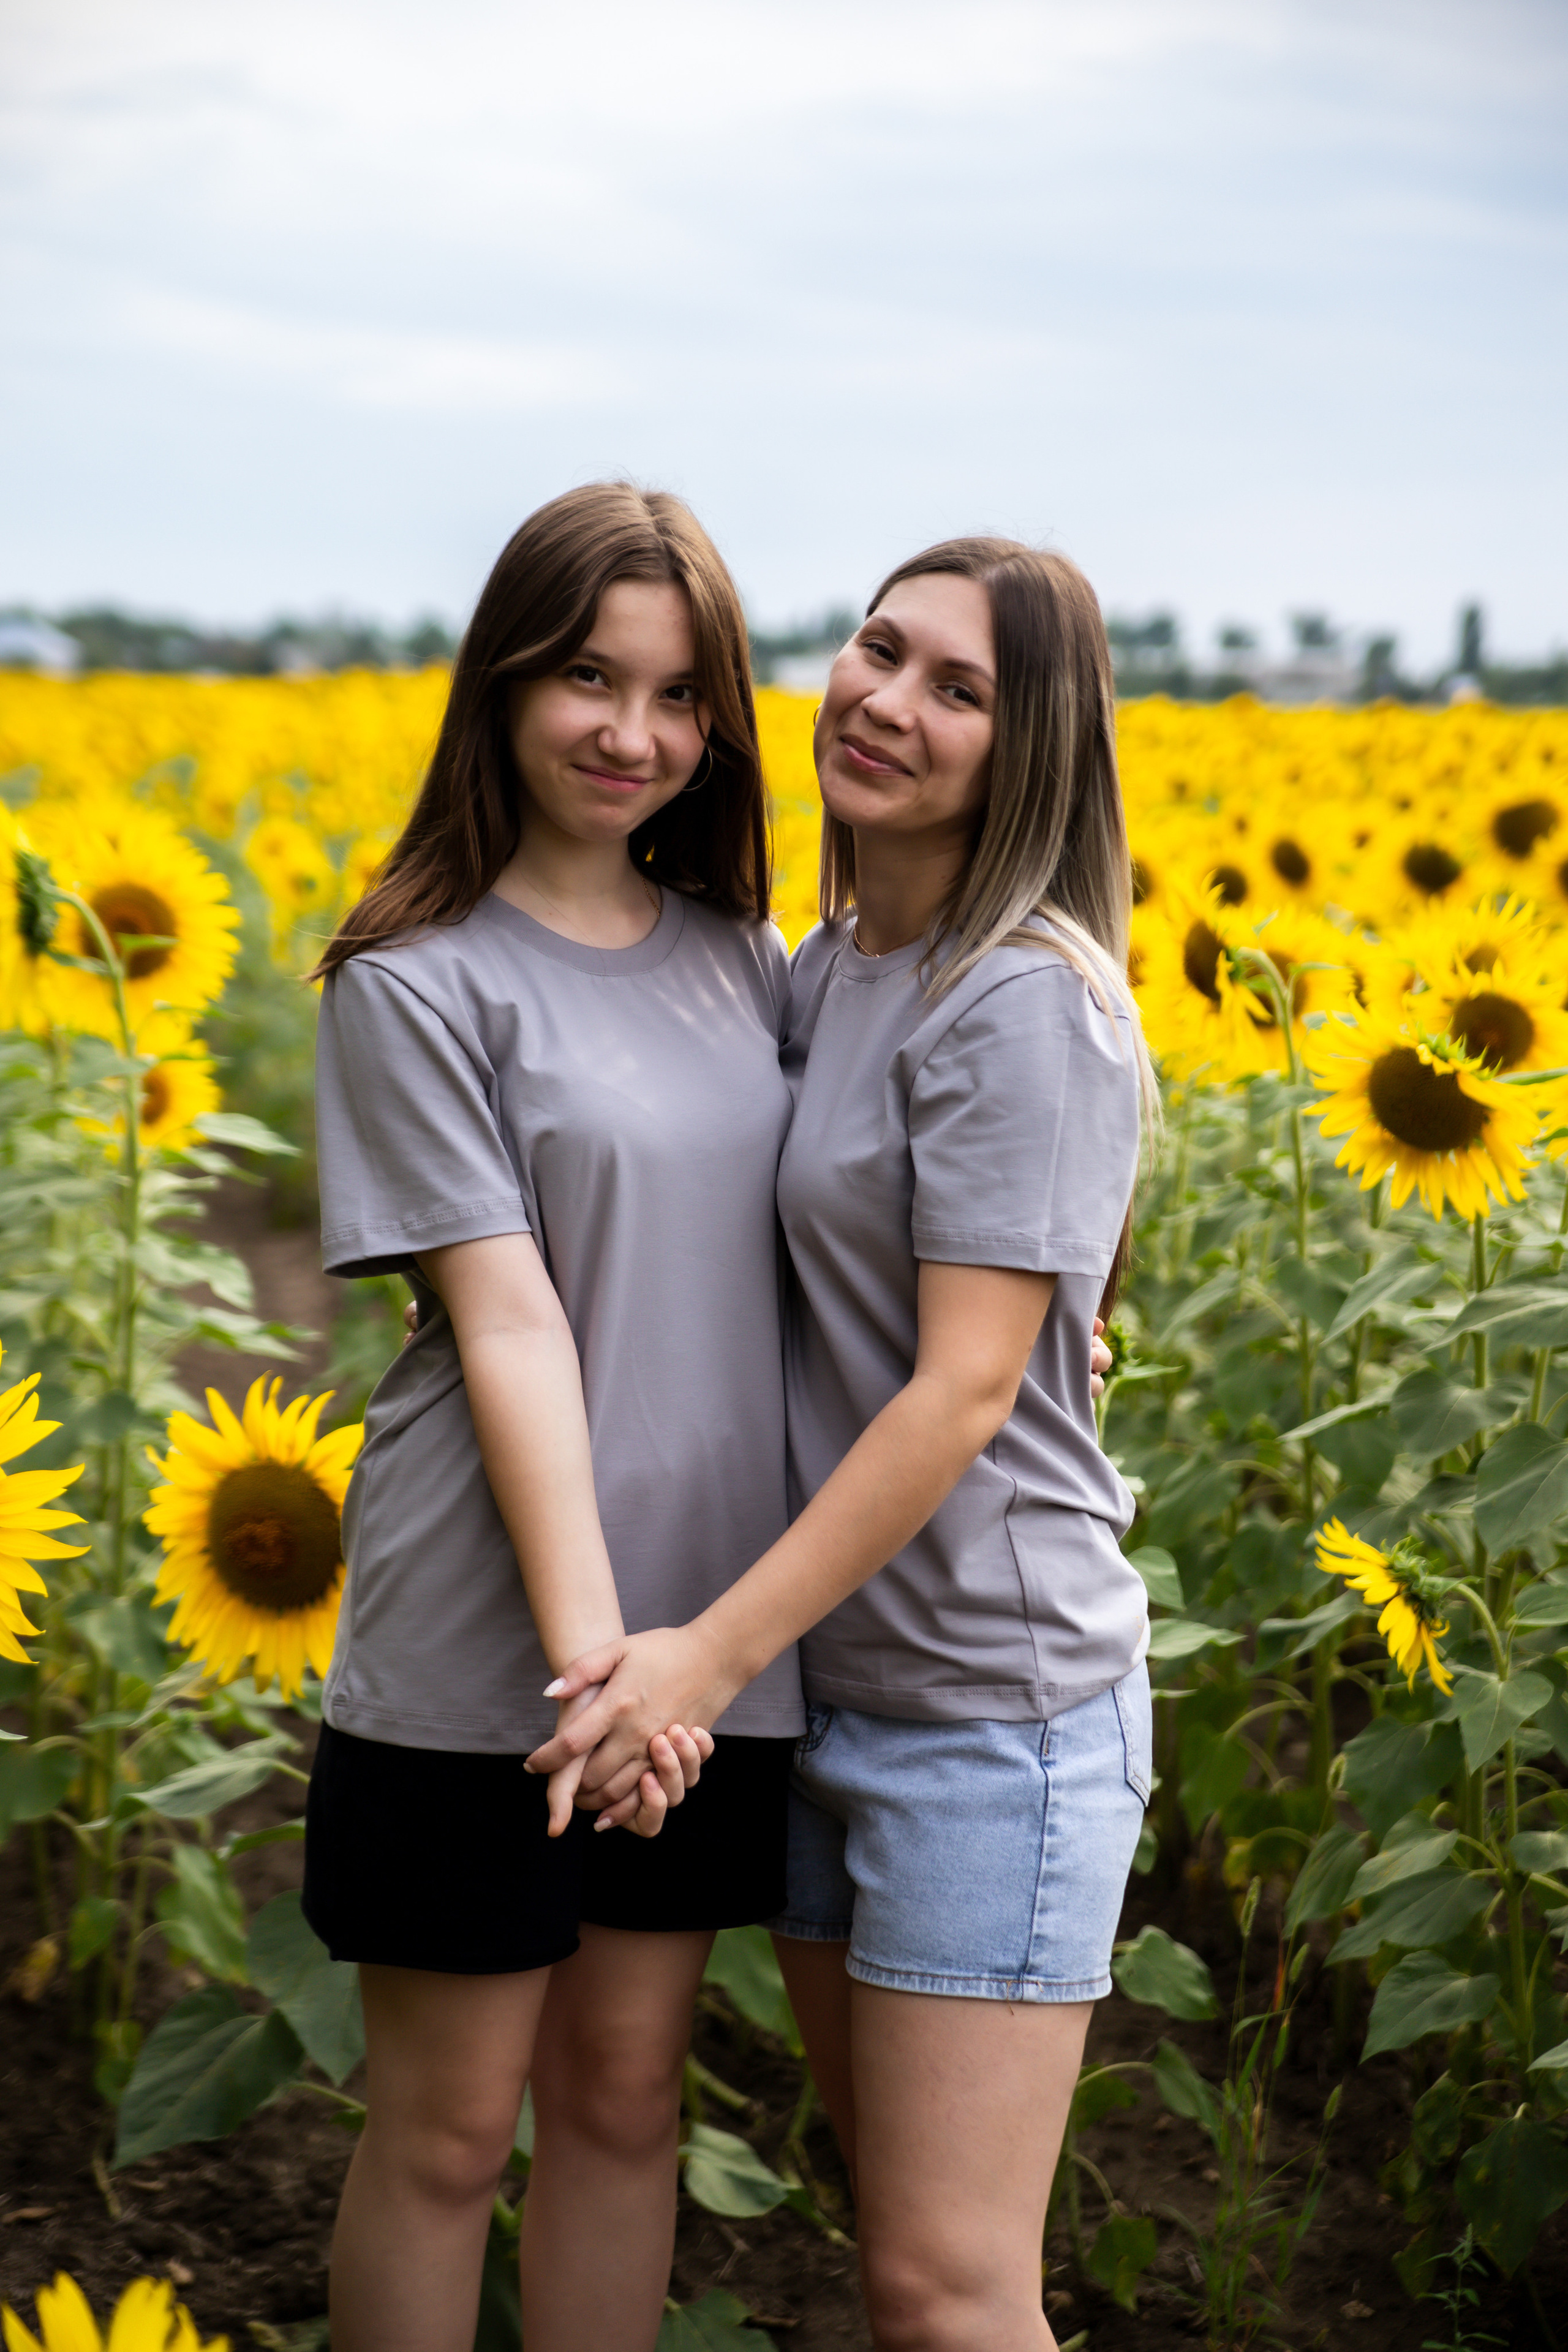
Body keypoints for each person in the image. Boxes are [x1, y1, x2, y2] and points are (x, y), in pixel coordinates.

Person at [532, 538, 1157, 2352]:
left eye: (961, 689)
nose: (888, 701)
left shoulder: (1023, 998)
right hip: (831, 1691)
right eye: (883, 649)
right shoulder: (835, 966)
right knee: (906, 2246)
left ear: (1033, 749)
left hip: (987, 1709)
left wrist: (698, 1660)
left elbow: (961, 1394)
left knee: (946, 2289)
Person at [301, 483, 808, 2352]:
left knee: (623, 2100)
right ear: (504, 679)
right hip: (495, 1646)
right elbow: (510, 1322)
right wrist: (608, 1682)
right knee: (445, 2136)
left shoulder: (753, 962)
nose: (632, 734)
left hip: (710, 1635)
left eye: (679, 696)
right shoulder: (414, 979)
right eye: (589, 677)